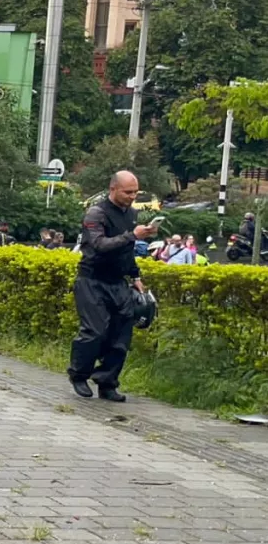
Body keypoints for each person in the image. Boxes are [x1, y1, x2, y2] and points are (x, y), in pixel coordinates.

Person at [69, 171, 158, 403]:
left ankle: (107, 382)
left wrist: (136, 276)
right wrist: (132, 236)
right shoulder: (95, 214)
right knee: (94, 331)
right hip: (92, 280)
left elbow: (125, 252)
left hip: (118, 282)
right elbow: (99, 245)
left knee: (121, 335)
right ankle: (79, 374)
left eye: (135, 192)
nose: (132, 196)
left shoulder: (131, 214)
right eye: (128, 192)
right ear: (113, 189)